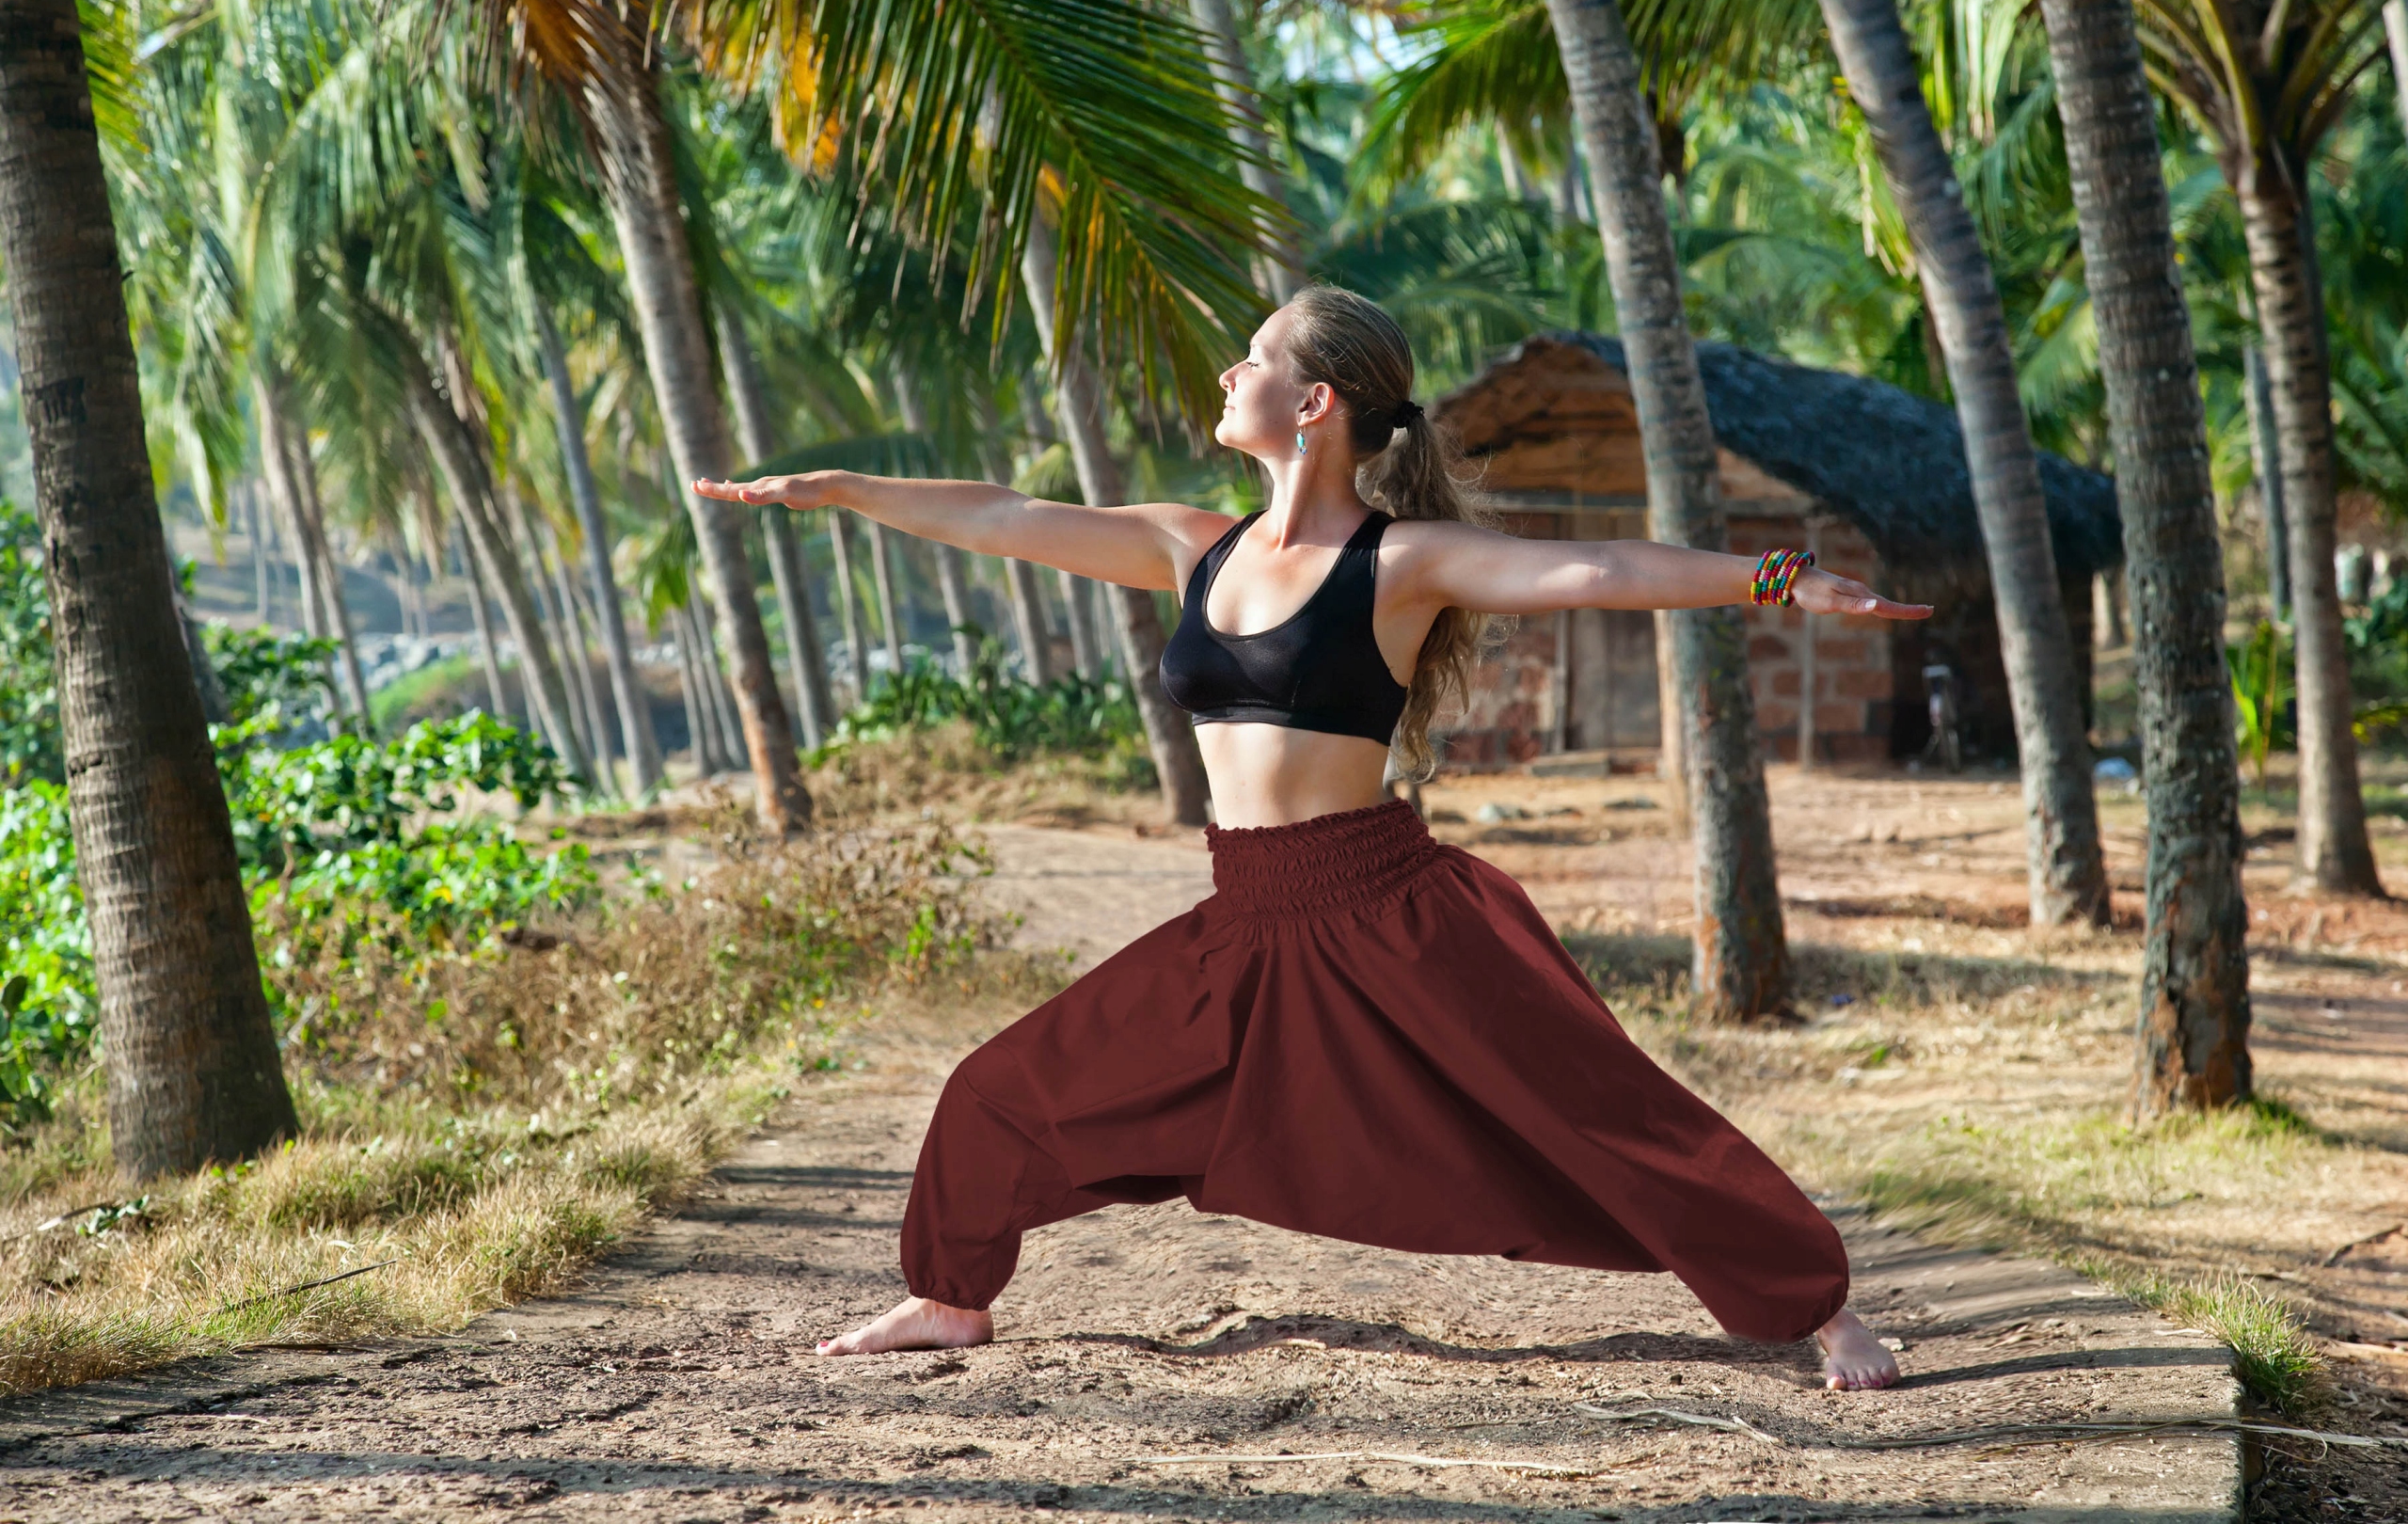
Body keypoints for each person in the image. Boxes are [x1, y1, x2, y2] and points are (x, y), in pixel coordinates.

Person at [694, 286, 1930, 1390]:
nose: (1229, 376)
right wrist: (841, 490)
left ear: (1316, 400)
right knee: (998, 1091)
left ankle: (1819, 1304)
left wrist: (1784, 578)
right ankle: (952, 1296)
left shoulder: (1402, 562)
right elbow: (1008, 511)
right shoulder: (1193, 543)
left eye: (1252, 359)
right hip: (1244, 918)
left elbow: (1597, 567)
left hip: (1389, 908)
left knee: (1599, 1109)